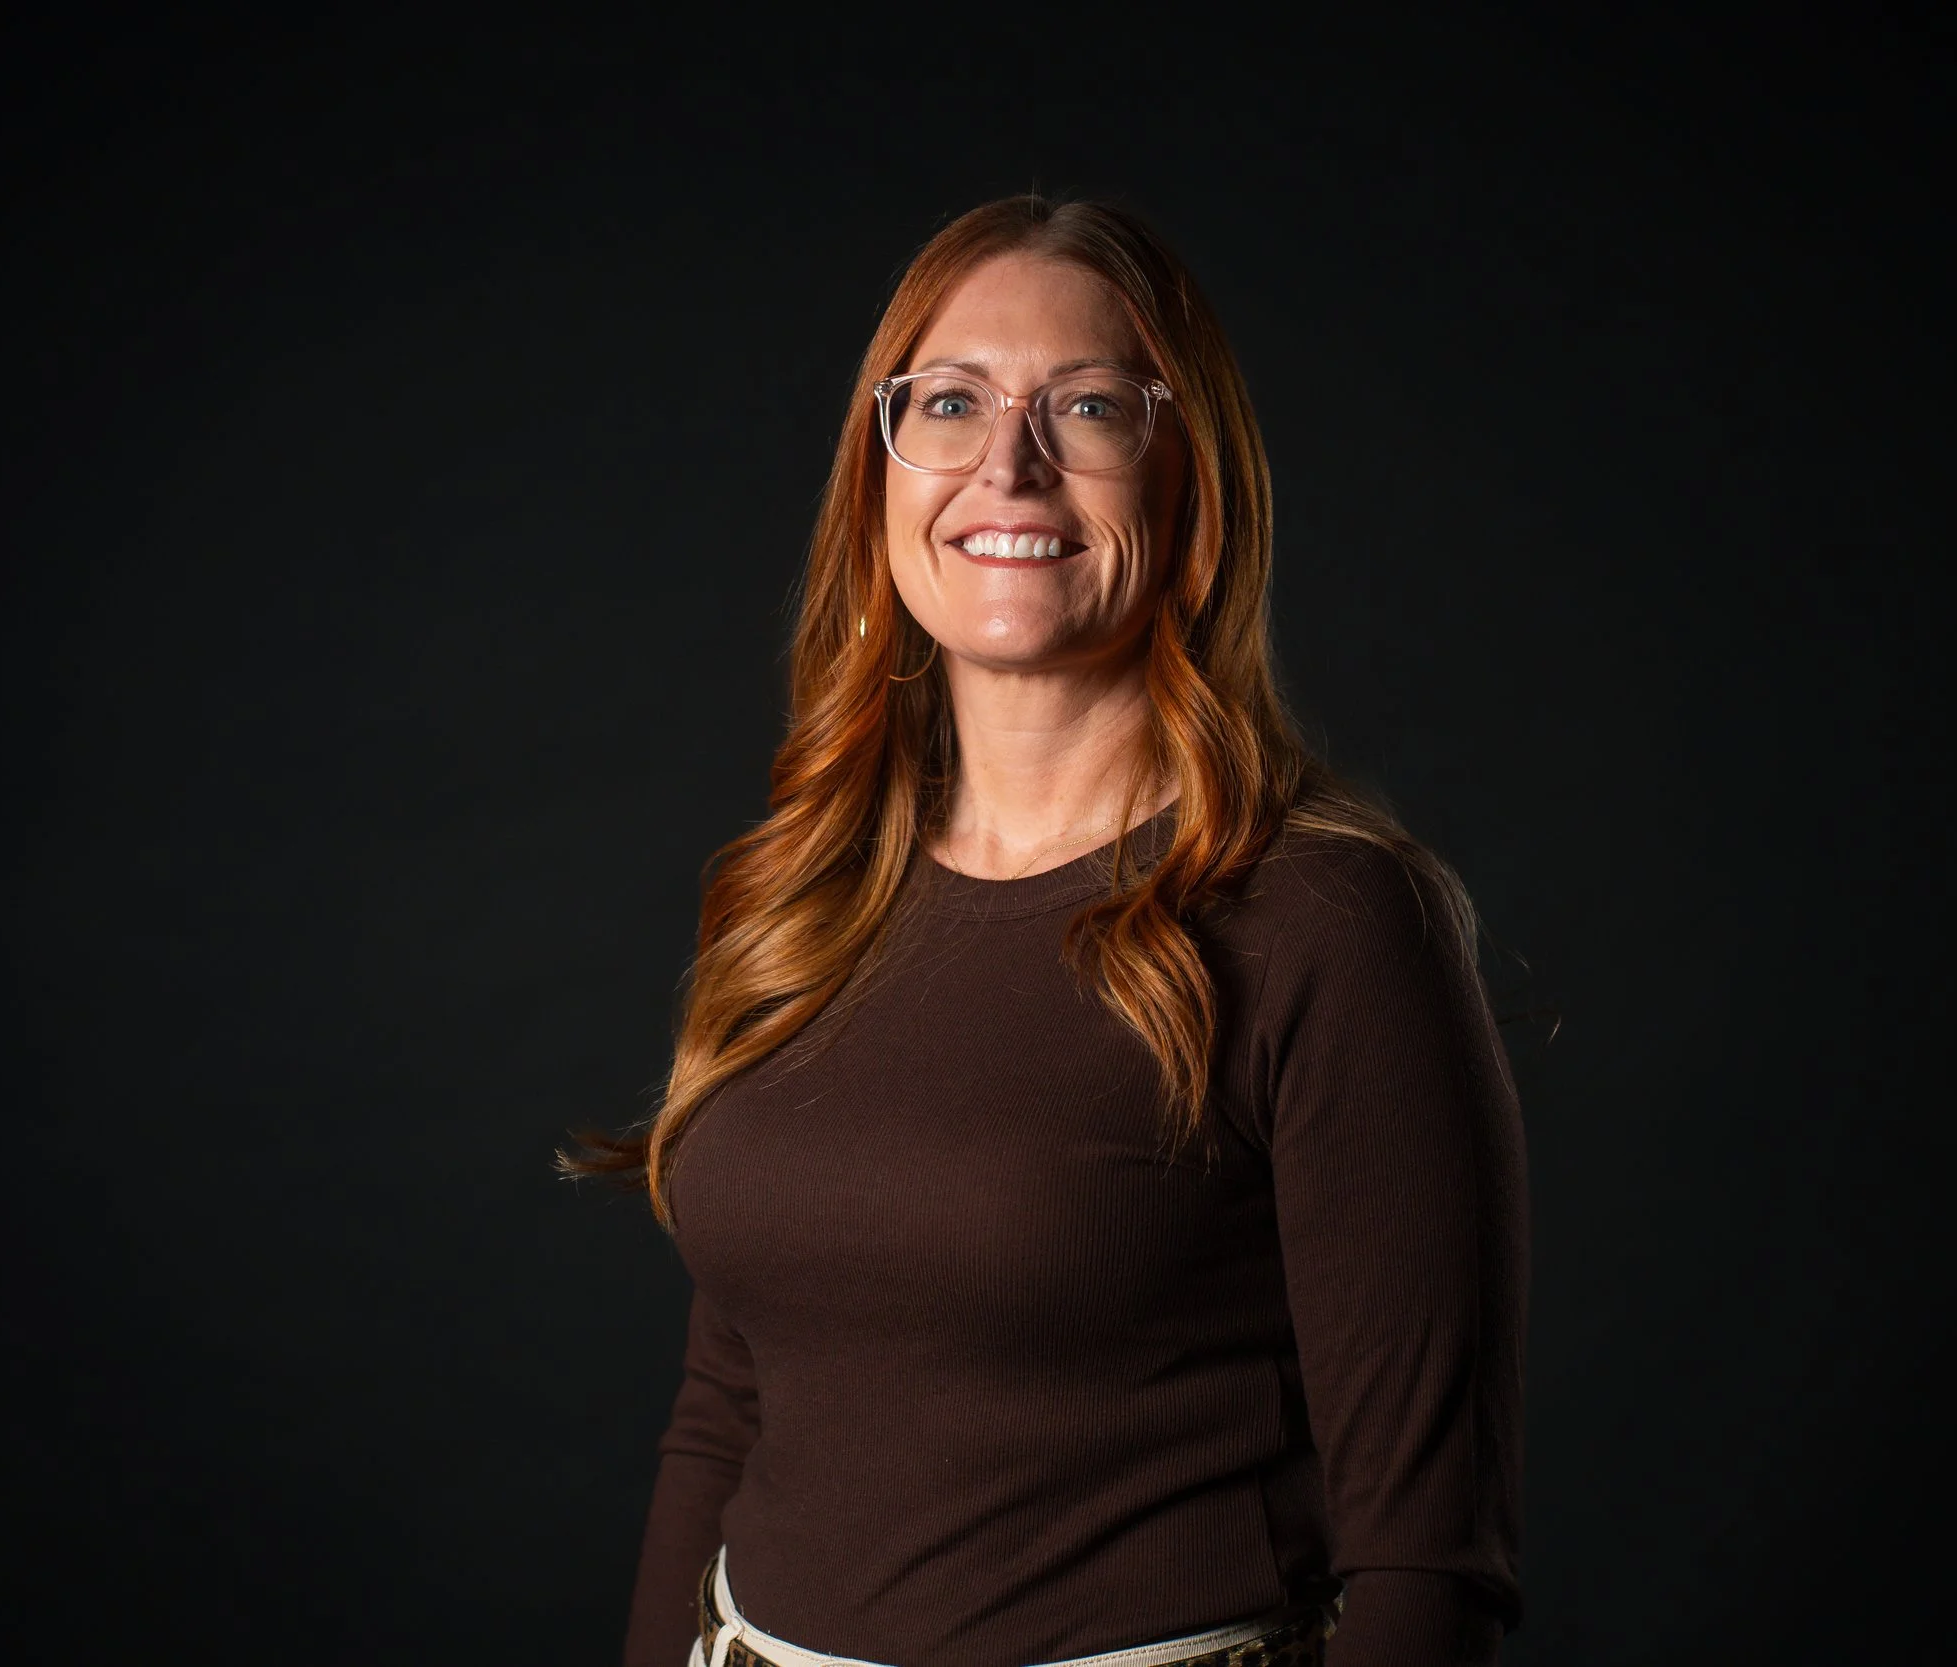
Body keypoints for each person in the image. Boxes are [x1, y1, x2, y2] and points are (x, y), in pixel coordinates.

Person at [564, 194, 1529, 1667]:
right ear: (878, 474)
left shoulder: (1325, 919)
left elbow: (1424, 1567)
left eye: (1085, 406)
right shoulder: (805, 895)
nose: (1005, 465)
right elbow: (729, 1405)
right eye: (950, 402)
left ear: (1191, 478)